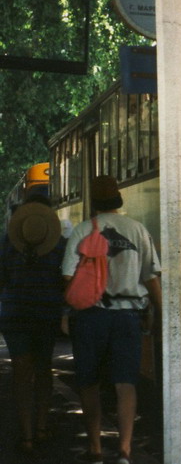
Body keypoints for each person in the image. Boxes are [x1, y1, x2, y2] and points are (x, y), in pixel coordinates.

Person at [62, 176, 162, 464]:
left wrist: (67, 312)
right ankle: (125, 450)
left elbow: (68, 277)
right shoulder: (137, 230)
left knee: (89, 382)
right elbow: (150, 276)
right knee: (125, 383)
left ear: (94, 202)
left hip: (90, 316)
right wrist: (158, 312)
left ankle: (94, 448)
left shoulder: (82, 231)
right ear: (118, 200)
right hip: (127, 316)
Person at [0, 195, 66, 457]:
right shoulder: (59, 246)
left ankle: (26, 435)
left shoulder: (6, 245)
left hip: (15, 315)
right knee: (43, 370)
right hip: (46, 315)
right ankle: (41, 428)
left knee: (21, 374)